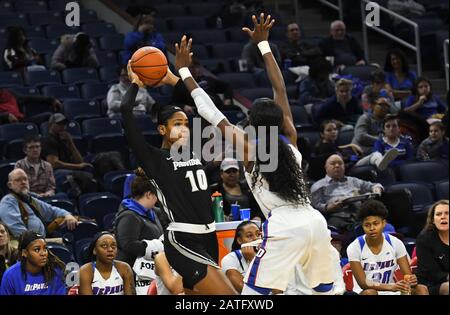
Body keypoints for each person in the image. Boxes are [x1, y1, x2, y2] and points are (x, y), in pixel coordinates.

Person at [182, 13, 339, 294]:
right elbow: (280, 87)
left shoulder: (249, 150)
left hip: (285, 225)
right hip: (315, 222)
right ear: (280, 121)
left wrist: (184, 72)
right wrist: (264, 45)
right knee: (324, 290)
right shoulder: (291, 141)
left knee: (255, 296)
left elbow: (209, 112)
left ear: (252, 124)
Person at [122, 54, 236, 295]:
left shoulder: (191, 149)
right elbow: (126, 113)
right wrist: (135, 83)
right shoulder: (153, 158)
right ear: (162, 129)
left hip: (208, 236)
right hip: (183, 239)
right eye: (177, 123)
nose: (184, 127)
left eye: (185, 123)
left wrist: (173, 79)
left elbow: (206, 104)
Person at [347, 200, 429, 295]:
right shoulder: (354, 247)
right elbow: (363, 283)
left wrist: (412, 280)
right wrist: (391, 287)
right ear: (362, 226)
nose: (372, 228)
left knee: (421, 289)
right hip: (367, 291)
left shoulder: (395, 243)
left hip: (392, 290)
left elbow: (407, 275)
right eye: (367, 225)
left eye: (376, 223)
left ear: (383, 223)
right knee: (370, 293)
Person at [114, 168, 164, 294]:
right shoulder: (129, 216)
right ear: (148, 194)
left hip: (151, 272)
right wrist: (156, 247)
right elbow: (128, 244)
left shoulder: (153, 213)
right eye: (156, 195)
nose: (157, 199)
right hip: (133, 277)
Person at [310, 154, 383, 232]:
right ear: (326, 168)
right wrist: (328, 207)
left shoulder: (353, 181)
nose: (337, 166)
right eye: (333, 163)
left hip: (359, 215)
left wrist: (377, 189)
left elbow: (374, 185)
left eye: (340, 163)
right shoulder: (318, 186)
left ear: (344, 167)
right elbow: (315, 206)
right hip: (336, 216)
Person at [0, 169, 77, 238]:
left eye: (25, 179)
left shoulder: (30, 199)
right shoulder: (8, 201)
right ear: (10, 185)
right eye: (18, 180)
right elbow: (16, 228)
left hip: (41, 242)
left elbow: (52, 210)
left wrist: (67, 215)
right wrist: (37, 241)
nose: (23, 182)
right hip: (25, 246)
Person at [0, 231, 66, 295]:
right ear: (25, 253)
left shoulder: (55, 271)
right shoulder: (10, 275)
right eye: (37, 249)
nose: (43, 253)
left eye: (45, 248)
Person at [416, 200, 449, 295]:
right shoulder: (424, 239)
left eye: (447, 213)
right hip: (430, 284)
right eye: (438, 214)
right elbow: (430, 272)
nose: (443, 216)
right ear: (433, 220)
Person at [220, 221, 261, 293]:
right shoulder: (229, 259)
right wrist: (253, 260)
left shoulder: (269, 253)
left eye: (258, 234)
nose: (256, 238)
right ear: (239, 240)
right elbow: (246, 291)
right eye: (249, 236)